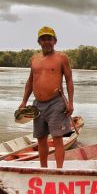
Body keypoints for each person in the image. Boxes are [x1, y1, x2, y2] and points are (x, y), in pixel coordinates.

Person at [18, 26, 75, 168]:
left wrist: (71, 103)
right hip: (38, 105)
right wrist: (24, 102)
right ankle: (43, 169)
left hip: (56, 103)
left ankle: (59, 171)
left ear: (55, 41)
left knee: (57, 139)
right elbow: (31, 81)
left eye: (49, 39)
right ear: (39, 42)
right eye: (43, 39)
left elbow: (69, 80)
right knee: (41, 139)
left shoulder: (62, 58)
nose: (47, 42)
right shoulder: (34, 59)